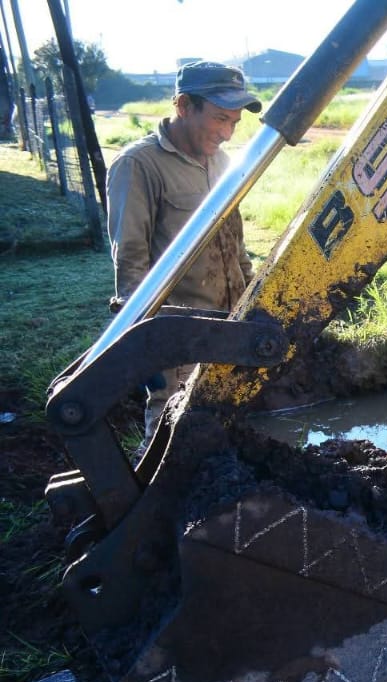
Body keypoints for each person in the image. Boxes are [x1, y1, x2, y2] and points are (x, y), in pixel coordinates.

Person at [105, 60, 261, 441]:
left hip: (231, 328)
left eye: (234, 123)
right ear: (184, 105)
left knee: (230, 434)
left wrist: (255, 300)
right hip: (179, 338)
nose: (227, 133)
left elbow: (236, 243)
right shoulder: (138, 166)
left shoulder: (223, 162)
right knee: (171, 436)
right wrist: (145, 342)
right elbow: (130, 263)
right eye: (220, 119)